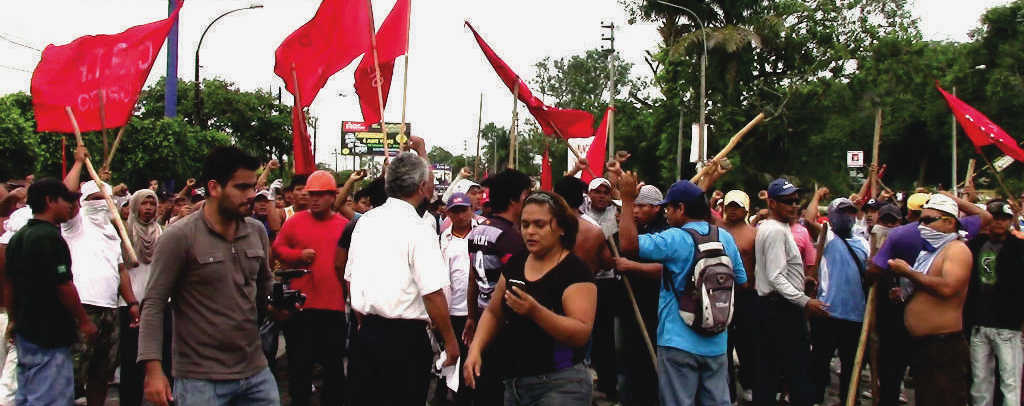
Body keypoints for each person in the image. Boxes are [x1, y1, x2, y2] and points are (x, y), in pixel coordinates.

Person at [139, 146, 279, 406]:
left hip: (255, 372)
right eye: (242, 188)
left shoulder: (257, 231)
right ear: (214, 188)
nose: (251, 195)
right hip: (199, 379)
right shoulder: (178, 237)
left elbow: (265, 286)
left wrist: (279, 304)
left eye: (253, 187)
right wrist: (154, 371)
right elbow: (154, 305)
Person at [618, 173, 747, 405]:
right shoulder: (725, 238)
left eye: (669, 208)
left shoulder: (675, 238)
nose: (666, 213)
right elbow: (741, 280)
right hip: (717, 341)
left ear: (681, 208)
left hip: (677, 342)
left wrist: (627, 200)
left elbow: (628, 245)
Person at [345, 151, 459, 406]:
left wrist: (363, 320)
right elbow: (432, 293)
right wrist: (450, 343)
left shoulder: (366, 221)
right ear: (422, 188)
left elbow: (351, 278)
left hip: (367, 335)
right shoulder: (419, 228)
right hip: (404, 342)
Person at [464, 191, 597, 405]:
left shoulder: (575, 271)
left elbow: (580, 332)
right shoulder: (517, 262)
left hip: (561, 385)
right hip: (515, 382)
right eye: (525, 225)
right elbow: (494, 312)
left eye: (539, 224)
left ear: (562, 228)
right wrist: (476, 348)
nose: (530, 232)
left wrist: (536, 311)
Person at [869, 191, 990, 406]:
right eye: (919, 219)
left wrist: (908, 273)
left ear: (949, 222)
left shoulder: (957, 250)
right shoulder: (931, 251)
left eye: (927, 220)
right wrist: (906, 291)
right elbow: (926, 286)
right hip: (925, 346)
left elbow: (947, 288)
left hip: (943, 346)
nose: (921, 226)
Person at [5, 178, 95, 406]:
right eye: (66, 200)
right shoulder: (48, 237)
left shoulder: (18, 237)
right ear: (49, 201)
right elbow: (63, 285)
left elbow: (9, 283)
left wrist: (14, 319)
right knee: (49, 397)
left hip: (26, 329)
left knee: (27, 394)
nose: (70, 206)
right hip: (49, 333)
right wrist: (84, 320)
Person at [271, 169, 349, 406]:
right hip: (301, 308)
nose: (314, 199)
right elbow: (278, 248)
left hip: (333, 308)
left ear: (332, 196)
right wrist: (297, 256)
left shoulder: (344, 226)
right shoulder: (295, 222)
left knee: (333, 368)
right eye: (311, 194)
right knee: (299, 367)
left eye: (321, 194)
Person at [62, 175, 137, 406]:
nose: (101, 203)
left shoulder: (113, 231)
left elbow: (121, 270)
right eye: (96, 198)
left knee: (102, 373)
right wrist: (78, 163)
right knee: (71, 373)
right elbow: (64, 194)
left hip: (109, 309)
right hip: (82, 308)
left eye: (105, 199)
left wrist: (132, 303)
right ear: (83, 201)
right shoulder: (75, 222)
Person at [464, 169, 533, 404]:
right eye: (526, 195)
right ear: (515, 199)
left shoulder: (476, 232)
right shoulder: (511, 239)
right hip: (504, 324)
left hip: (483, 316)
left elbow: (473, 279)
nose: (528, 200)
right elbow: (519, 286)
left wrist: (472, 316)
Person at [753, 178, 824, 406]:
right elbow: (775, 277)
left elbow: (773, 272)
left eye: (795, 201)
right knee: (796, 369)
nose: (794, 206)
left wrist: (802, 280)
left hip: (774, 306)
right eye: (787, 202)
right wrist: (805, 301)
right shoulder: (774, 231)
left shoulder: (772, 228)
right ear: (772, 203)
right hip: (780, 309)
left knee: (770, 370)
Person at [805, 198, 869, 404]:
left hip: (856, 315)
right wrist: (817, 197)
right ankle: (815, 399)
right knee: (819, 362)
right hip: (827, 312)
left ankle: (848, 400)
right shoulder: (828, 238)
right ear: (831, 217)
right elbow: (808, 220)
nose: (846, 217)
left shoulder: (863, 244)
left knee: (851, 365)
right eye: (841, 212)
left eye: (850, 212)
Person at [606, 183, 664, 406]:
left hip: (654, 308)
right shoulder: (631, 227)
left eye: (642, 206)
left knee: (648, 362)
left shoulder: (665, 232)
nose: (635, 211)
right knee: (627, 360)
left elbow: (665, 269)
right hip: (627, 306)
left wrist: (632, 266)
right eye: (634, 206)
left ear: (657, 208)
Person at [965, 201, 1024, 406]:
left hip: (1008, 325)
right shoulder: (974, 245)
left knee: (1010, 381)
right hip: (979, 323)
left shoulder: (1019, 247)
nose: (998, 222)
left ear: (1010, 220)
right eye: (994, 217)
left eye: (1003, 218)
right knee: (980, 382)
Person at [119, 189, 163, 406]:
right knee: (131, 359)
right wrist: (131, 302)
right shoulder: (124, 231)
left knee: (159, 355)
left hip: (156, 303)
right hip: (131, 302)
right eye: (144, 204)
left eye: (152, 204)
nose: (148, 209)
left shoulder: (159, 231)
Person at [720, 189, 758, 402]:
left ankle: (749, 383)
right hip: (719, 294)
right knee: (723, 345)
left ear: (746, 209)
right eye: (730, 206)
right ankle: (728, 391)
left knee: (747, 343)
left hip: (745, 295)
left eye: (737, 206)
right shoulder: (716, 229)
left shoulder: (754, 234)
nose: (733, 210)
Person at [440, 192, 477, 405]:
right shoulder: (443, 239)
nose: (461, 215)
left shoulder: (480, 234)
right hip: (453, 311)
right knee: (456, 359)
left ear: (471, 210)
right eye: (455, 211)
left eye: (464, 210)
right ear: (448, 214)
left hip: (477, 311)